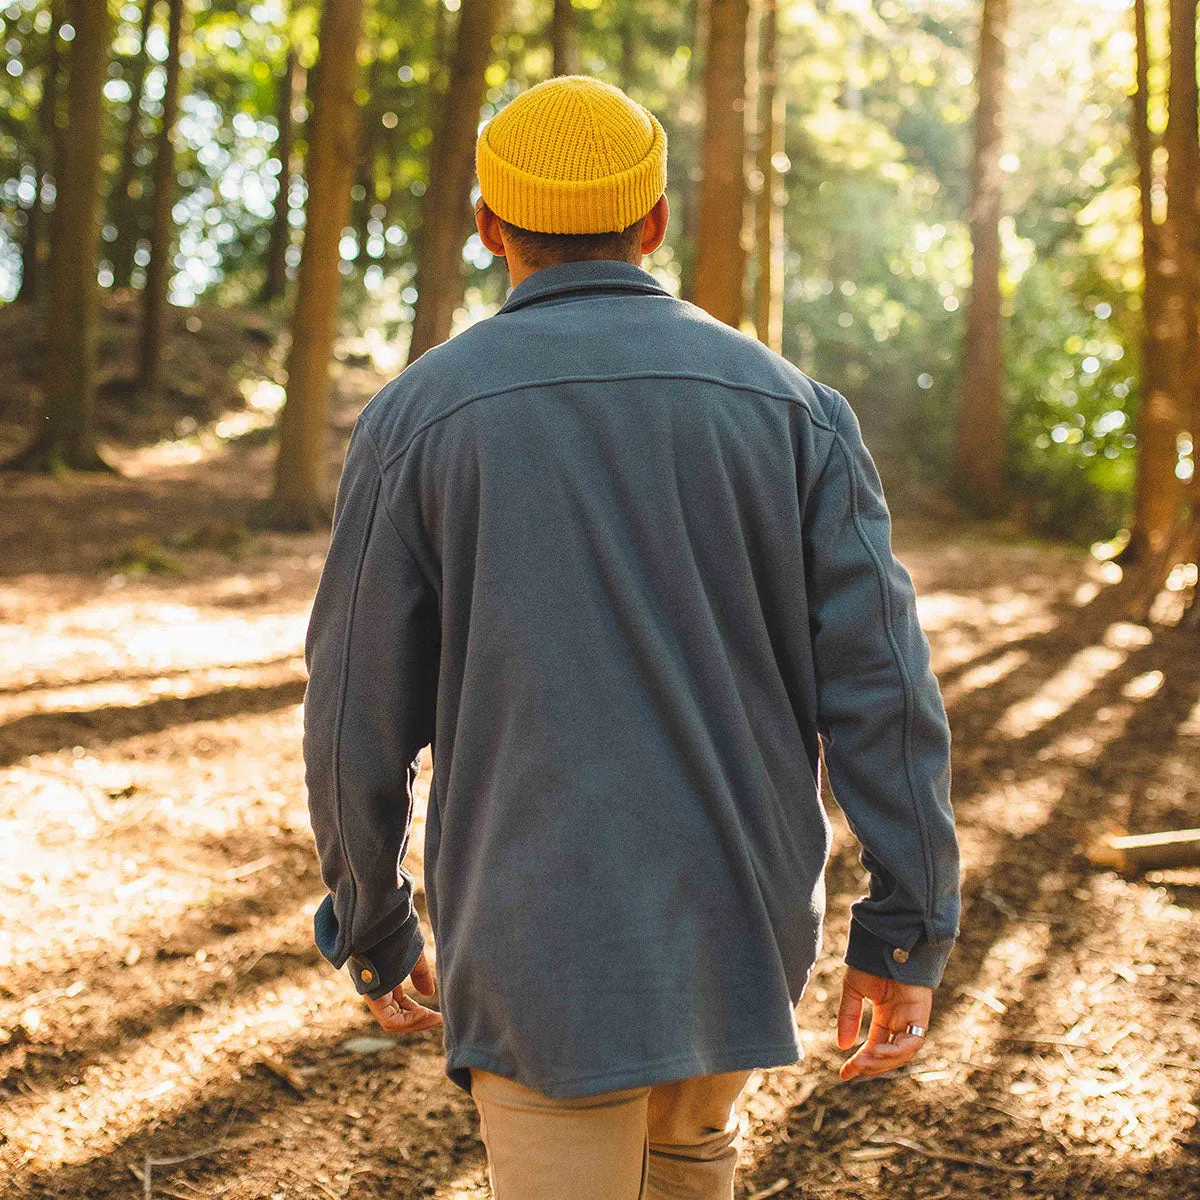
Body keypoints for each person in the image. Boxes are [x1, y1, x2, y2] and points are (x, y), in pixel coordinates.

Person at [302, 74, 960, 1200]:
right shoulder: (794, 410)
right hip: (739, 928)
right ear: (654, 223)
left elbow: (354, 708)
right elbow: (885, 691)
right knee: (690, 1160)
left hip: (533, 937)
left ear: (488, 226)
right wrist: (906, 927)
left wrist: (371, 921)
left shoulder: (418, 418)